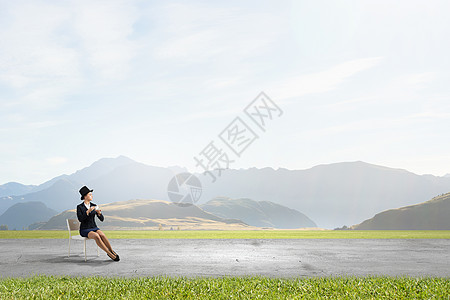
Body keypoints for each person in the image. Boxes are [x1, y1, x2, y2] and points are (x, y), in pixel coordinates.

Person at [77, 186, 119, 261]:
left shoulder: (94, 205)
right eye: (90, 194)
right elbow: (80, 219)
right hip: (85, 229)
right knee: (96, 236)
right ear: (85, 196)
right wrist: (87, 212)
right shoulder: (79, 207)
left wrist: (99, 213)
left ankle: (111, 250)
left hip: (94, 227)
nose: (92, 196)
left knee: (102, 234)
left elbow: (102, 219)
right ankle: (109, 254)